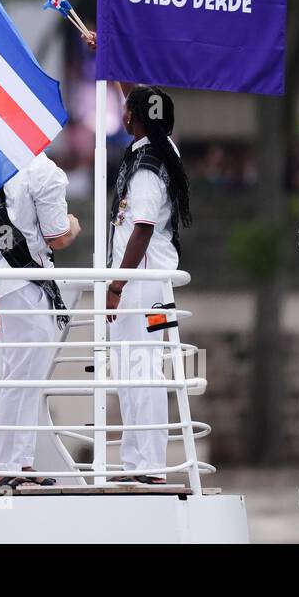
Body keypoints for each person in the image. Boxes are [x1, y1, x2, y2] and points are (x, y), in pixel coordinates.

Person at [0, 150, 80, 491]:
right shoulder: (43, 170)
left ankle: (19, 462)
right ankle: (10, 464)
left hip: (3, 279)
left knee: (22, 376)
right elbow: (58, 235)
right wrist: (76, 223)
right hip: (28, 282)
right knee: (24, 377)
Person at [105, 85, 191, 485]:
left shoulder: (145, 168)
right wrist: (108, 53)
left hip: (140, 285)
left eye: (127, 109)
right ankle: (138, 462)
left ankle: (147, 465)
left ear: (134, 118)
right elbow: (139, 95)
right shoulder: (164, 149)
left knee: (137, 370)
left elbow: (141, 228)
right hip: (153, 285)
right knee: (137, 369)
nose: (122, 112)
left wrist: (116, 285)